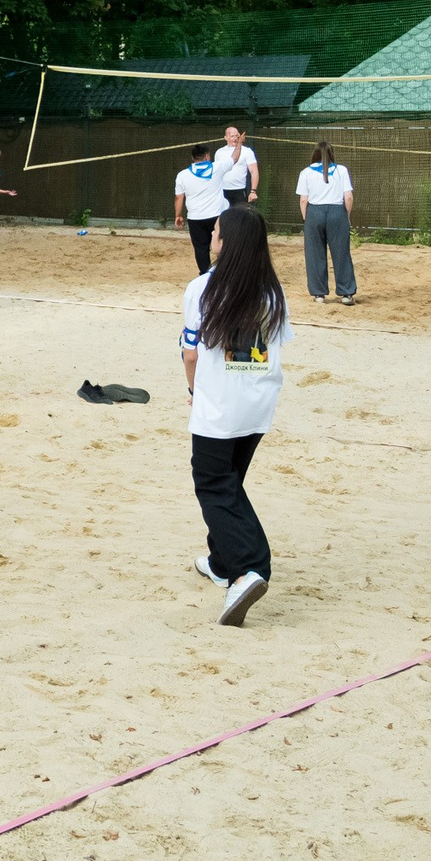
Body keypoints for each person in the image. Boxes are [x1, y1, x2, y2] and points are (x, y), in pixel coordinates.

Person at [181, 206, 292, 629]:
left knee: (211, 483)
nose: (211, 235)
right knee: (229, 481)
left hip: (219, 405)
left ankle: (249, 568)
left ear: (227, 241)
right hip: (258, 404)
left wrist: (194, 390)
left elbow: (191, 352)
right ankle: (221, 561)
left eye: (215, 231)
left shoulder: (203, 288)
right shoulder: (272, 290)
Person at [294, 141, 356, 305]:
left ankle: (319, 294)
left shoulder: (305, 172)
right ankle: (346, 293)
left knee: (315, 254)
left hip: (314, 211)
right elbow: (348, 197)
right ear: (331, 154)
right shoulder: (341, 170)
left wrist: (307, 220)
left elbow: (303, 200)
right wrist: (346, 216)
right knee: (341, 253)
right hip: (337, 212)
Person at [173, 145, 227, 274]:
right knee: (223, 244)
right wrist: (238, 145)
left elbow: (179, 198)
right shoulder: (217, 167)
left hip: (196, 217)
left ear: (192, 158)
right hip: (217, 216)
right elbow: (234, 159)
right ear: (207, 156)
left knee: (200, 248)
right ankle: (225, 271)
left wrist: (178, 215)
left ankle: (205, 274)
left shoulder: (182, 175)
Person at [213, 125, 260, 210]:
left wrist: (253, 191)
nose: (235, 138)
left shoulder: (247, 151)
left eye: (236, 136)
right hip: (222, 191)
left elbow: (254, 172)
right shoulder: (219, 152)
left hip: (239, 190)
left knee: (240, 217)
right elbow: (217, 172)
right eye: (232, 136)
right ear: (225, 138)